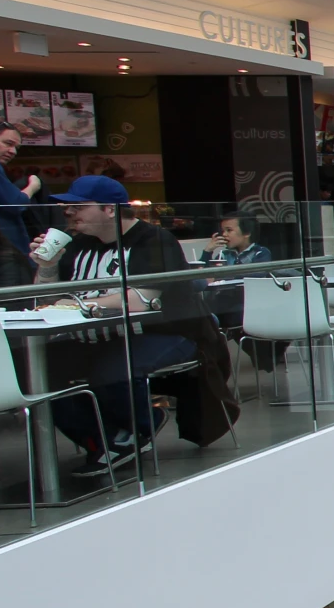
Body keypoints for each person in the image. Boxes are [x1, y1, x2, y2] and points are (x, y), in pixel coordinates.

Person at [31, 176, 215, 474]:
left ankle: (138, 428)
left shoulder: (153, 240)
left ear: (110, 210)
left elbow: (142, 299)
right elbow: (48, 297)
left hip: (164, 333)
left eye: (78, 206)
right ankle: (102, 441)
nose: (69, 212)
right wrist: (47, 266)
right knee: (38, 375)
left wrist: (79, 304)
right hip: (92, 337)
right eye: (67, 206)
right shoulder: (77, 246)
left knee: (110, 371)